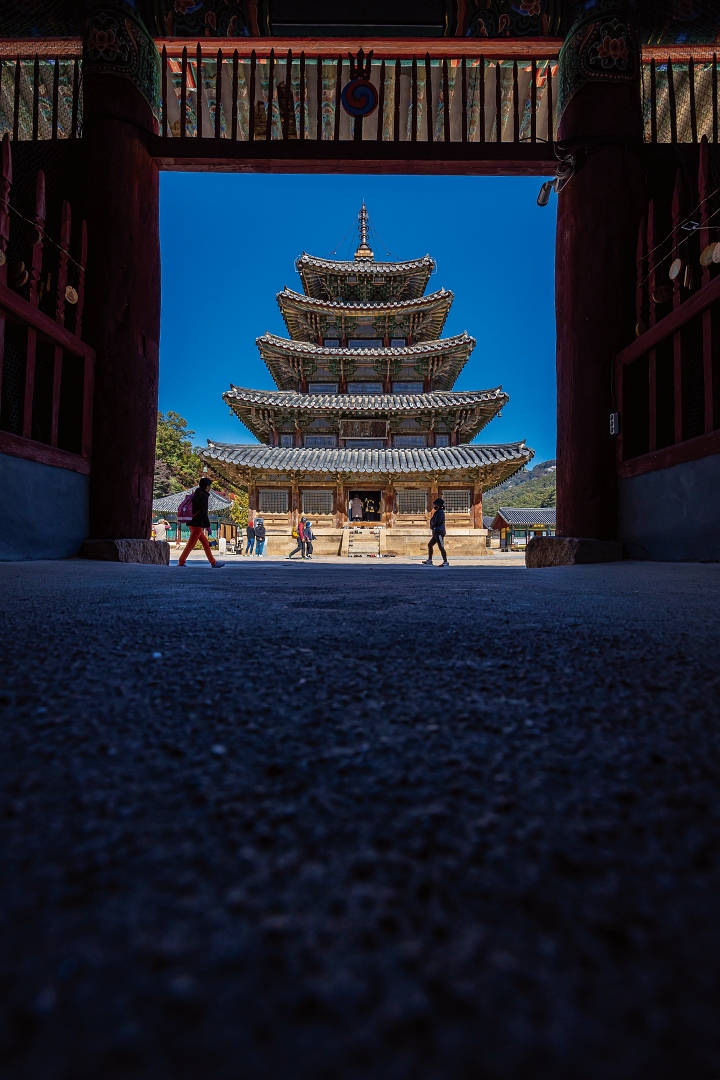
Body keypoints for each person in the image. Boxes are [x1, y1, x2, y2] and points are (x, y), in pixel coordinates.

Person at [177, 478, 225, 567]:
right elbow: (203, 512)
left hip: (191, 522)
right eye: (209, 486)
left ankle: (213, 562)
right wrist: (208, 526)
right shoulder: (203, 496)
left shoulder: (195, 494)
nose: (210, 488)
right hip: (197, 524)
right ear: (207, 486)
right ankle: (181, 561)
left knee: (206, 544)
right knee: (191, 545)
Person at [422, 497, 449, 567]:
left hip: (439, 532)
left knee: (441, 546)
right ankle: (430, 560)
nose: (434, 506)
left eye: (436, 504)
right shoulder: (437, 512)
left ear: (439, 505)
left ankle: (445, 561)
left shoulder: (440, 512)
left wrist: (432, 525)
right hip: (436, 532)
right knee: (430, 545)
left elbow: (437, 521)